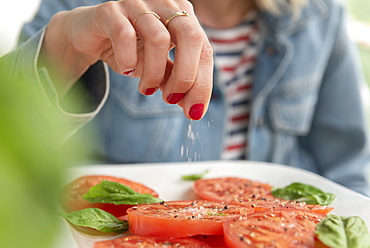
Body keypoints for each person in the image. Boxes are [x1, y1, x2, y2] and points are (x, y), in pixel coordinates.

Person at [1, 0, 370, 196]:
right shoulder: (90, 5)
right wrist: (65, 47)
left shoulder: (322, 17)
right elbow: (13, 151)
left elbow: (348, 170)